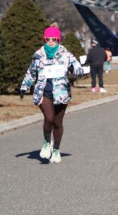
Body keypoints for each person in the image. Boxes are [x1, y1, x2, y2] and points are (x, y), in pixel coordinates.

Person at [19, 26, 86, 163]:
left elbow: (79, 70)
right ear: (44, 40)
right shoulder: (38, 55)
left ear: (58, 40)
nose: (50, 42)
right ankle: (46, 143)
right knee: (49, 118)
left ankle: (56, 149)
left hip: (61, 93)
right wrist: (24, 86)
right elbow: (31, 72)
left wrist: (73, 69)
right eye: (47, 39)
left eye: (53, 39)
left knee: (57, 123)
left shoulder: (66, 55)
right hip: (43, 92)